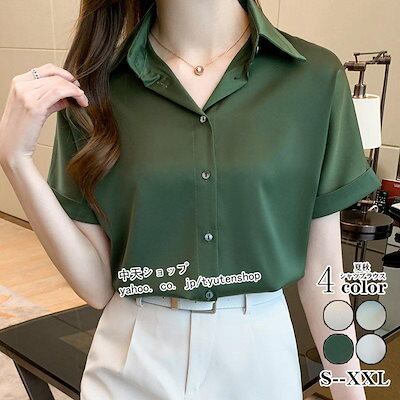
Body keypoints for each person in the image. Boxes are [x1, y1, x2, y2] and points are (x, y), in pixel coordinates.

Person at [0, 0, 380, 399]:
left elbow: (324, 279)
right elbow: (96, 286)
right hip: (133, 357)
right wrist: (15, 161)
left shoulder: (314, 77)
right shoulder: (95, 88)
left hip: (259, 358)